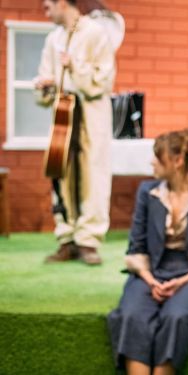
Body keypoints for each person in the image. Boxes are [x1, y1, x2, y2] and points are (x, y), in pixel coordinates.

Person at [107, 128, 188, 374]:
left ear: (178, 161)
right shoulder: (147, 192)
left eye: (158, 157)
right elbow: (137, 246)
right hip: (151, 272)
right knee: (131, 314)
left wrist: (181, 281)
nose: (152, 162)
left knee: (177, 316)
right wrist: (150, 279)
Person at [34, 0, 118, 265]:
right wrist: (45, 86)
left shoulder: (96, 33)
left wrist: (75, 67)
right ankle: (67, 238)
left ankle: (88, 241)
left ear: (62, 3)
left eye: (48, 6)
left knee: (93, 174)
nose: (45, 12)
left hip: (91, 114)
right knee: (62, 174)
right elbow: (46, 78)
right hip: (63, 115)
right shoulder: (53, 39)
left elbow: (103, 80)